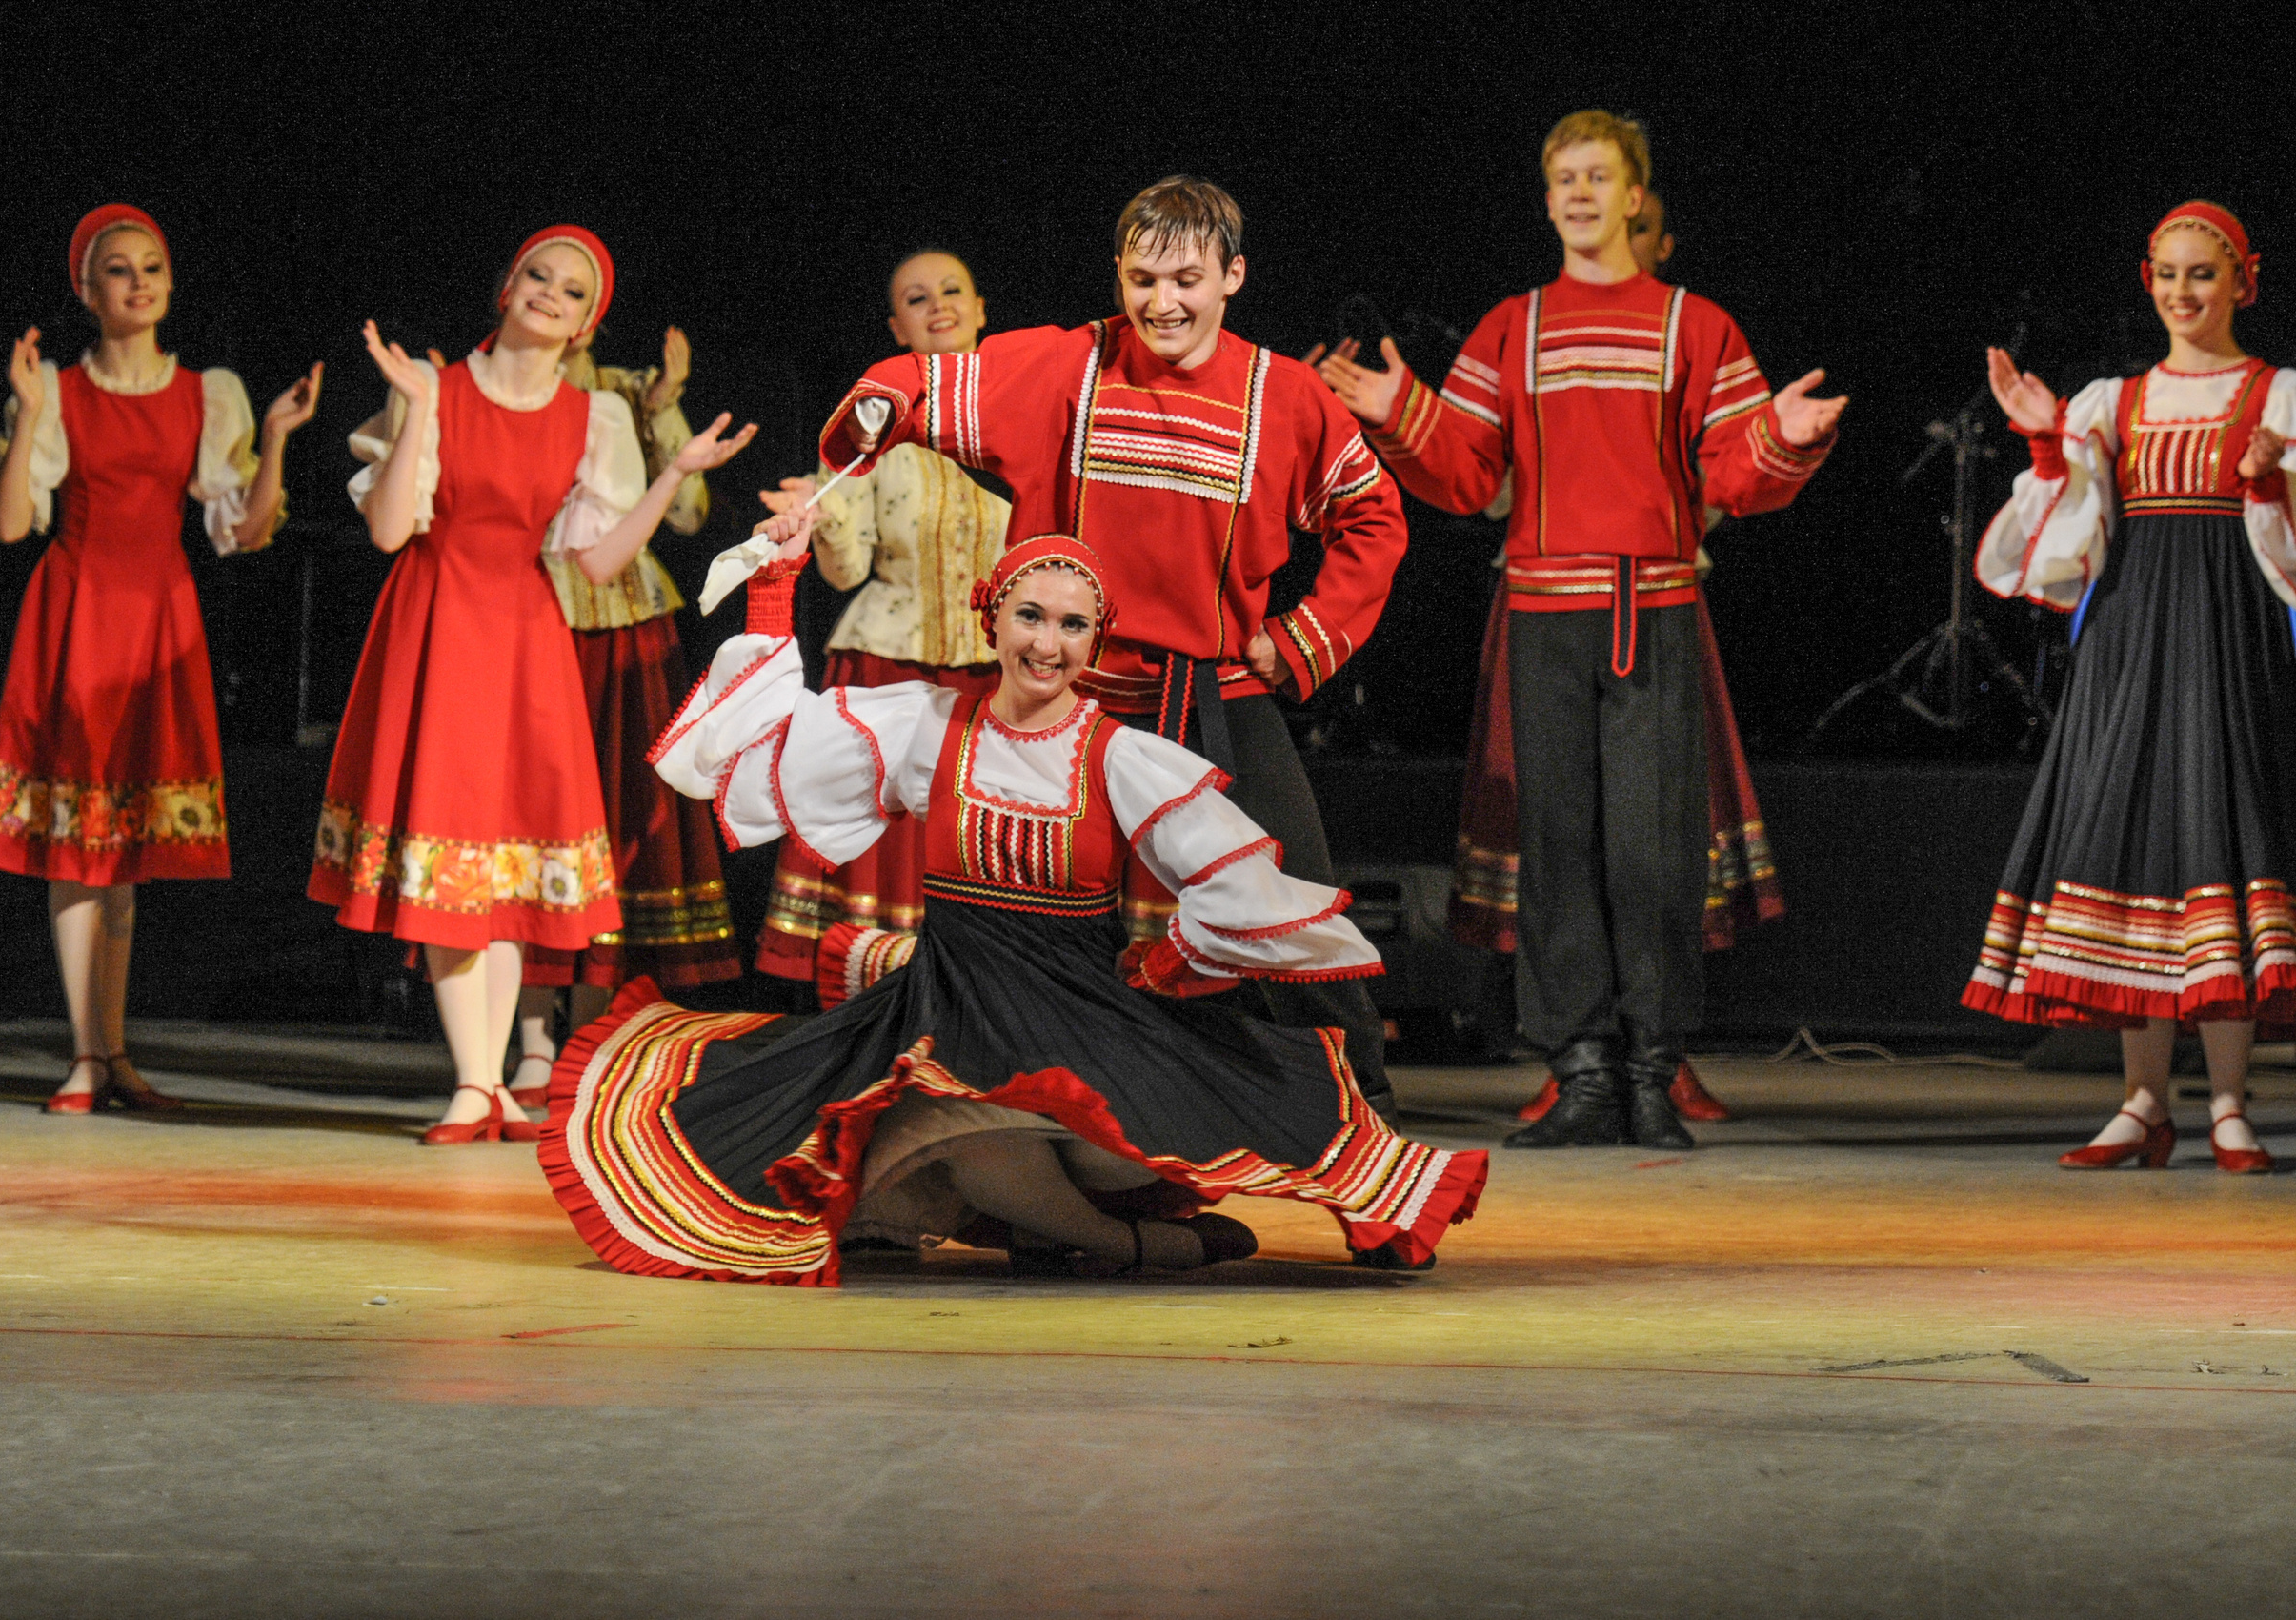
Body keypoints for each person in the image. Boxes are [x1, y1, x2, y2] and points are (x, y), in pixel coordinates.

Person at [536, 520, 1486, 1283]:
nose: (1048, 642)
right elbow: (765, 737)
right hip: (949, 1013)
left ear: (1092, 641)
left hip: (1084, 1024)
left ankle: (1075, 1223)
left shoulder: (1119, 755)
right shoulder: (926, 726)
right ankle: (1124, 1246)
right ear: (990, 619)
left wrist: (1177, 962)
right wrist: (778, 584)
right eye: (1030, 616)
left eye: (1072, 625)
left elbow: (1236, 880)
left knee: (1067, 1147)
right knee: (916, 1156)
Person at [816, 177, 1408, 1121]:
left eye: (1186, 278)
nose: (1162, 301)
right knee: (1043, 927)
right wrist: (878, 407)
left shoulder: (1282, 395)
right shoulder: (1067, 367)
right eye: (1142, 278)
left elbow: (1373, 518)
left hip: (1212, 698)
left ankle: (1352, 1124)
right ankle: (1051, 1120)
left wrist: (1299, 639)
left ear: (1232, 277)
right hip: (1070, 707)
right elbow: (926, 384)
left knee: (1288, 909)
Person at [1317, 111, 1843, 1150]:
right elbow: (1467, 473)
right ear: (1546, 195)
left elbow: (1732, 471)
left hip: (1652, 609)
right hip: (1544, 612)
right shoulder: (1513, 325)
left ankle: (1652, 1066)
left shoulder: (1694, 324)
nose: (1580, 194)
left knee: (1652, 853)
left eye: (1599, 176)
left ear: (1637, 195)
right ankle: (1582, 1068)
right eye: (1564, 177)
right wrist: (1399, 408)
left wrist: (1780, 437)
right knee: (1556, 848)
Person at [312, 224, 755, 1144]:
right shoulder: (435, 387)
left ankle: (495, 1087)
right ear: (508, 288)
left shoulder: (589, 417)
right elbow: (392, 531)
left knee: (510, 857)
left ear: (587, 324)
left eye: (574, 291)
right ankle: (476, 1080)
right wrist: (418, 411)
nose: (551, 294)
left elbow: (594, 563)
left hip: (528, 632)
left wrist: (671, 472)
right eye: (538, 277)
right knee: (450, 842)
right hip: (437, 621)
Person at [0, 204, 320, 1114]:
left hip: (159, 621)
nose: (139, 283)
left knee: (124, 856)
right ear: (86, 292)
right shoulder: (58, 389)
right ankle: (90, 1056)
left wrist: (275, 441)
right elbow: (11, 525)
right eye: (118, 271)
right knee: (76, 853)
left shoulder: (210, 393)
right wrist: (33, 411)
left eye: (152, 267)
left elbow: (243, 532)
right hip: (77, 616)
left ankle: (109, 1051)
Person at [1968, 200, 2293, 1175]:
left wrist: (2268, 483)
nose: (2183, 292)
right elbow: (2063, 539)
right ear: (2145, 279)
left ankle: (2229, 1102)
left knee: (2221, 830)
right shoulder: (2112, 400)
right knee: (2130, 837)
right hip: (2129, 635)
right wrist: (2040, 439)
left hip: (2227, 635)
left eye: (2203, 273)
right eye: (2167, 273)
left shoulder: (2278, 395)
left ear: (2244, 279)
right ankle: (2143, 1101)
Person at [751, 250, 1010, 988]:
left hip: (997, 675)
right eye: (917, 298)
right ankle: (875, 1012)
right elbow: (845, 571)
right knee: (885, 858)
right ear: (897, 327)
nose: (938, 306)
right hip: (887, 667)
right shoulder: (876, 428)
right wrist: (823, 515)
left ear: (982, 307)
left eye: (952, 290)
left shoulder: (1021, 417)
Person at [507, 321, 742, 1105]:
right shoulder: (498, 388)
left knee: (618, 823)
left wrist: (661, 409)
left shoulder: (626, 390)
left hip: (626, 624)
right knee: (530, 825)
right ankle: (531, 1039)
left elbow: (690, 513)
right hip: (532, 615)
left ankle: (590, 1035)